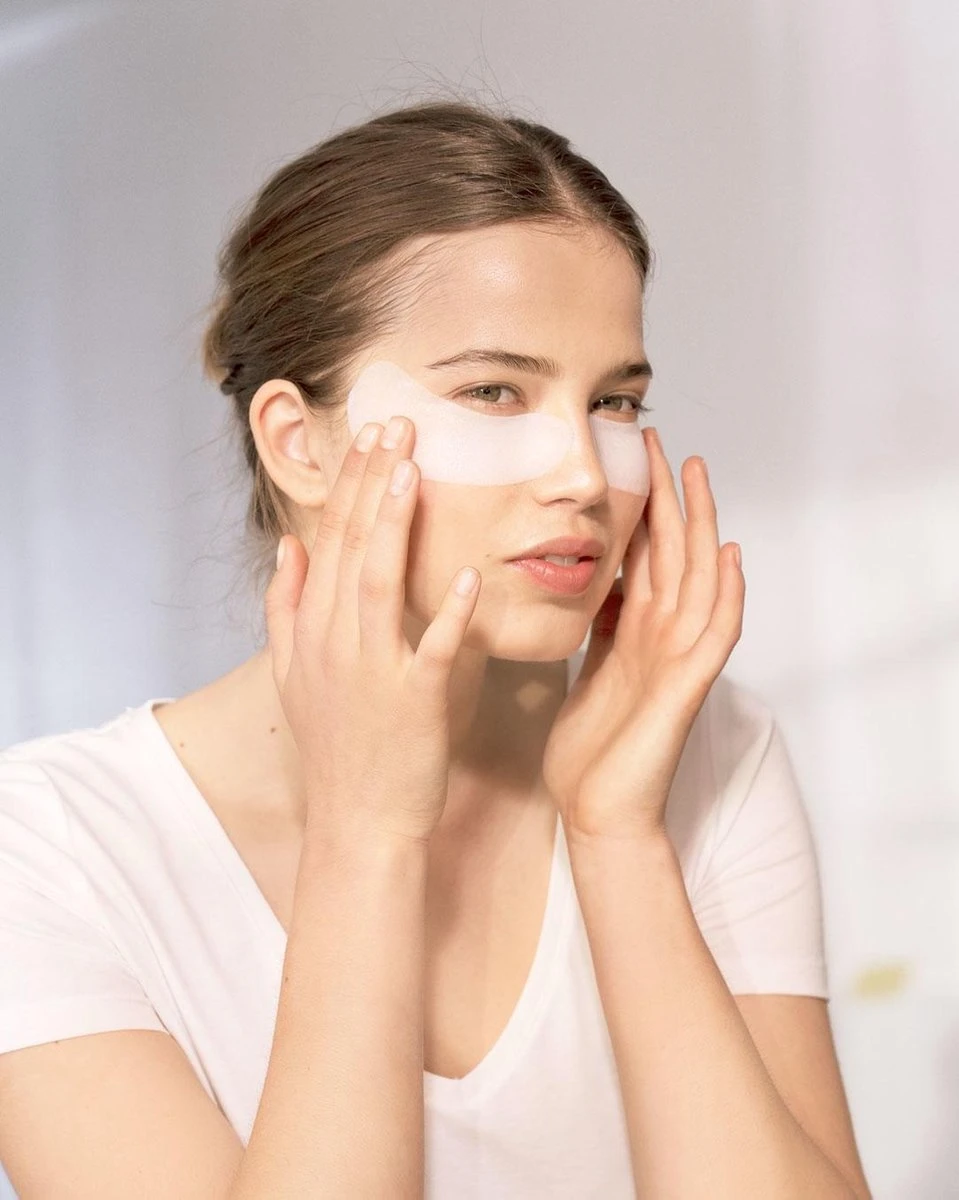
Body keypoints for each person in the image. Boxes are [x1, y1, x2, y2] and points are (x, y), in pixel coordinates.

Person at [0, 100, 871, 1198]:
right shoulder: (47, 852)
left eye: (614, 401)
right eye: (492, 391)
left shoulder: (704, 753)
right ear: (296, 443)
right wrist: (366, 834)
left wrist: (617, 839)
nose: (581, 473)